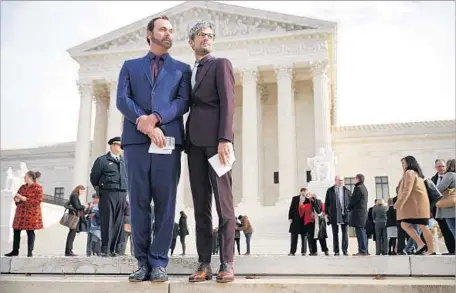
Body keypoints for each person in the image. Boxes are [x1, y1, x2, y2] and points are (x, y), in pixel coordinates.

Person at [116, 15, 190, 283]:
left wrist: (156, 118)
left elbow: (182, 103)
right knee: (137, 203)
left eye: (171, 30)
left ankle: (159, 262)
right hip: (136, 142)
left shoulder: (182, 69)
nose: (168, 34)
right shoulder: (130, 66)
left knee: (165, 204)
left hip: (167, 142)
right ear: (149, 34)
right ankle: (142, 262)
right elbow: (122, 100)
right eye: (162, 29)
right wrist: (144, 123)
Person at [185, 20, 236, 283]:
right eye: (201, 35)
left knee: (224, 204)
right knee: (200, 206)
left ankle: (227, 262)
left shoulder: (221, 64)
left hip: (217, 143)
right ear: (191, 41)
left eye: (210, 35)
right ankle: (204, 262)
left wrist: (225, 138)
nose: (206, 38)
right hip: (193, 144)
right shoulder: (188, 71)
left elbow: (228, 101)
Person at [90, 136, 128, 257]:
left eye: (120, 146)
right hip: (108, 193)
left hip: (122, 194)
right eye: (117, 145)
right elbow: (94, 178)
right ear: (111, 146)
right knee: (107, 220)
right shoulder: (102, 160)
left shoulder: (125, 161)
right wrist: (101, 189)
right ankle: (105, 248)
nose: (119, 148)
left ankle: (115, 249)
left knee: (118, 222)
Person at [394, 156, 435, 255]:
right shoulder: (414, 173)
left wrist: (399, 203)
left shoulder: (410, 173)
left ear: (409, 163)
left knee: (423, 226)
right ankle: (421, 245)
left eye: (403, 163)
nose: (402, 165)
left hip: (417, 206)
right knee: (405, 224)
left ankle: (431, 249)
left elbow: (407, 189)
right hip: (416, 205)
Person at [5, 171, 43, 257]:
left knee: (30, 231)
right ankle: (15, 251)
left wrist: (24, 199)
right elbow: (17, 196)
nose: (24, 178)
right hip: (21, 213)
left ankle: (30, 252)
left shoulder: (38, 188)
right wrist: (17, 199)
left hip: (31, 214)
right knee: (16, 230)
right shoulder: (22, 187)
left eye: (25, 177)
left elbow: (38, 201)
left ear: (30, 177)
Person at [324, 177, 351, 256]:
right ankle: (336, 251)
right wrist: (326, 213)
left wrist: (349, 212)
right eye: (339, 180)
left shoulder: (347, 191)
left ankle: (345, 250)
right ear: (335, 181)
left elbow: (351, 203)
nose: (341, 182)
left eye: (342, 180)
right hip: (334, 215)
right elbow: (327, 203)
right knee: (335, 233)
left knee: (345, 233)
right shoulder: (330, 190)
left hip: (344, 215)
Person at [64, 185, 88, 256]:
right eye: (83, 191)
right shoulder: (74, 196)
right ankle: (68, 251)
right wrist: (84, 206)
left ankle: (69, 250)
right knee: (72, 234)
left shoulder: (74, 196)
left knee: (72, 234)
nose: (83, 193)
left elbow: (68, 205)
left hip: (75, 216)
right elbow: (77, 207)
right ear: (79, 189)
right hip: (74, 217)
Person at [348, 174, 368, 256]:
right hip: (362, 213)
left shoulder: (358, 188)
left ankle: (362, 250)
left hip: (358, 213)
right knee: (362, 231)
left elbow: (353, 200)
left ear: (358, 179)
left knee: (359, 232)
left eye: (355, 178)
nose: (354, 180)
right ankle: (364, 249)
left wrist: (348, 207)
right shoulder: (364, 188)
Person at [288, 188, 308, 256]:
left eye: (305, 192)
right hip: (295, 220)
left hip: (304, 221)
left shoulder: (308, 200)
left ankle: (304, 251)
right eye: (303, 192)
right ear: (301, 192)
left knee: (304, 237)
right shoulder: (295, 198)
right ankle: (292, 252)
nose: (304, 193)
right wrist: (290, 217)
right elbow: (291, 208)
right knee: (294, 237)